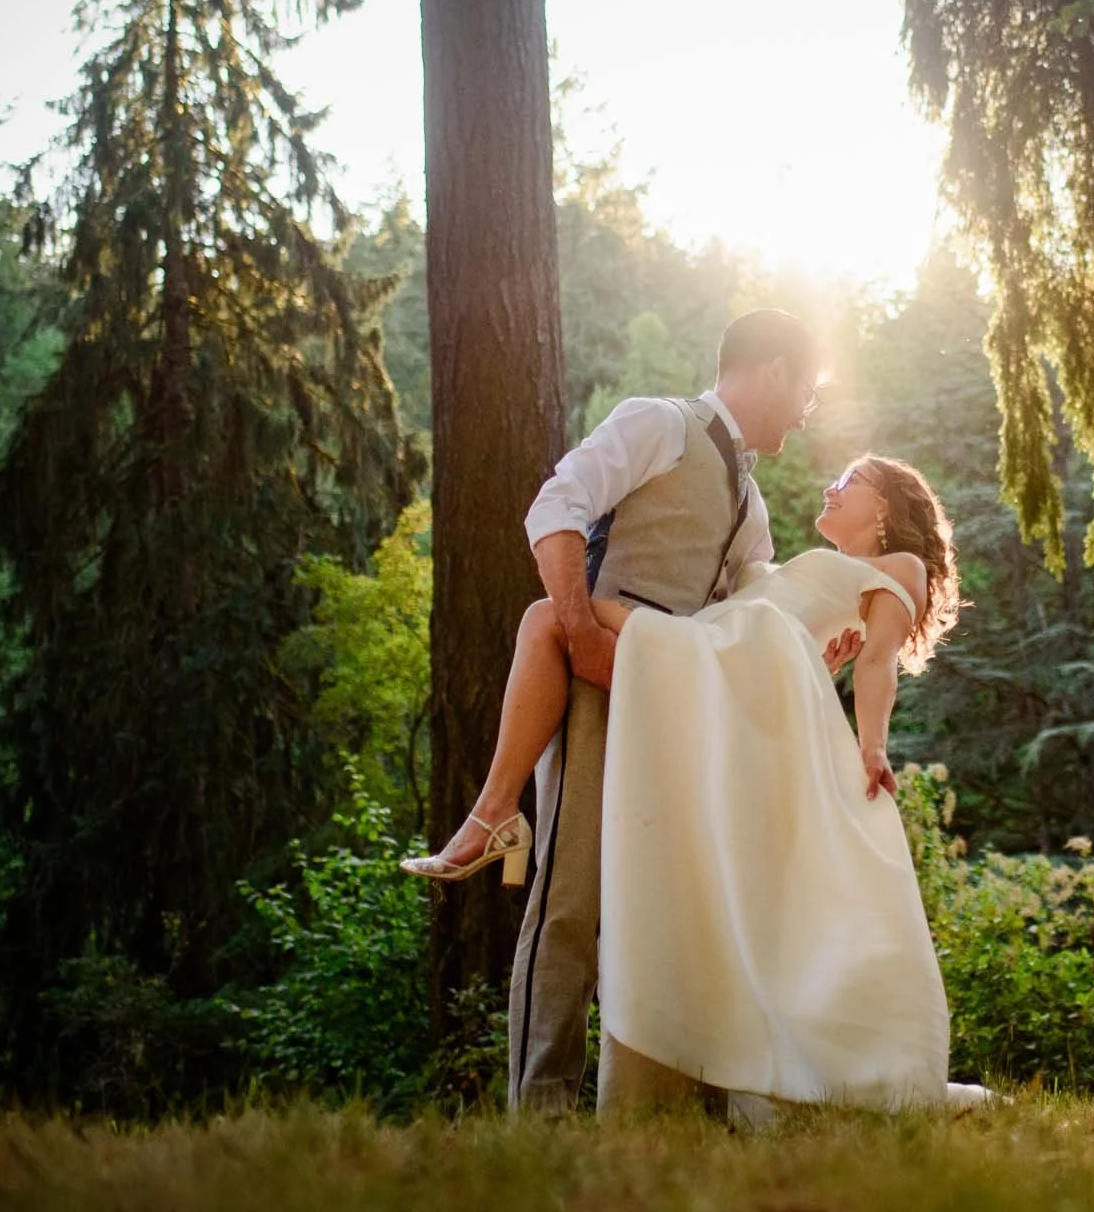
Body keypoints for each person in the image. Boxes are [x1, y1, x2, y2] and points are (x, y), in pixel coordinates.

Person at [408, 451, 972, 1112]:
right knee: (549, 620)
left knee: (548, 618)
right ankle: (499, 810)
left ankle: (496, 814)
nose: (830, 486)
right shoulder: (816, 566)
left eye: (849, 482)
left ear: (883, 507)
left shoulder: (898, 568)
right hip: (714, 652)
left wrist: (872, 744)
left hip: (724, 670)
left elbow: (877, 662)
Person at [413, 309, 825, 1117]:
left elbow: (753, 619)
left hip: (682, 724)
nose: (809, 407)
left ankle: (673, 1105)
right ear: (773, 369)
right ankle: (542, 1115)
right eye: (808, 387)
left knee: (675, 912)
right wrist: (577, 631)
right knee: (571, 902)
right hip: (599, 691)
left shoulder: (753, 510)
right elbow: (557, 506)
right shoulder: (659, 423)